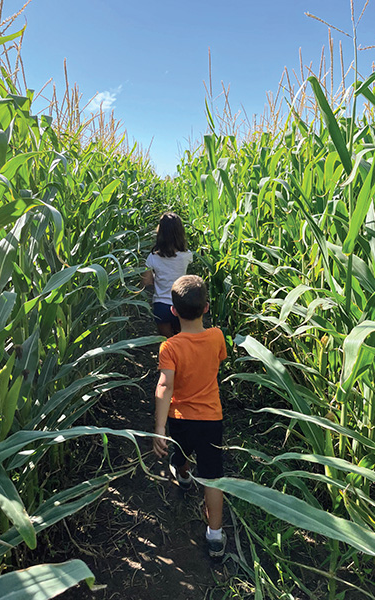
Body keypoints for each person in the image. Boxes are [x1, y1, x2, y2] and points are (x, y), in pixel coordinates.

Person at [152, 275, 228, 559]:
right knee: (212, 477)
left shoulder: (169, 348)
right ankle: (215, 536)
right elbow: (219, 359)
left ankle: (183, 477)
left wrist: (160, 427)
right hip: (211, 419)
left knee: (180, 456)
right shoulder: (217, 336)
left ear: (173, 311)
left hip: (180, 417)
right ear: (206, 307)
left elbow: (165, 385)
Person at [142, 212, 193, 338]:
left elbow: (146, 282)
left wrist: (157, 278)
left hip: (161, 306)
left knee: (167, 344)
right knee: (181, 342)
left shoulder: (152, 257)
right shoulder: (187, 255)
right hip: (181, 304)